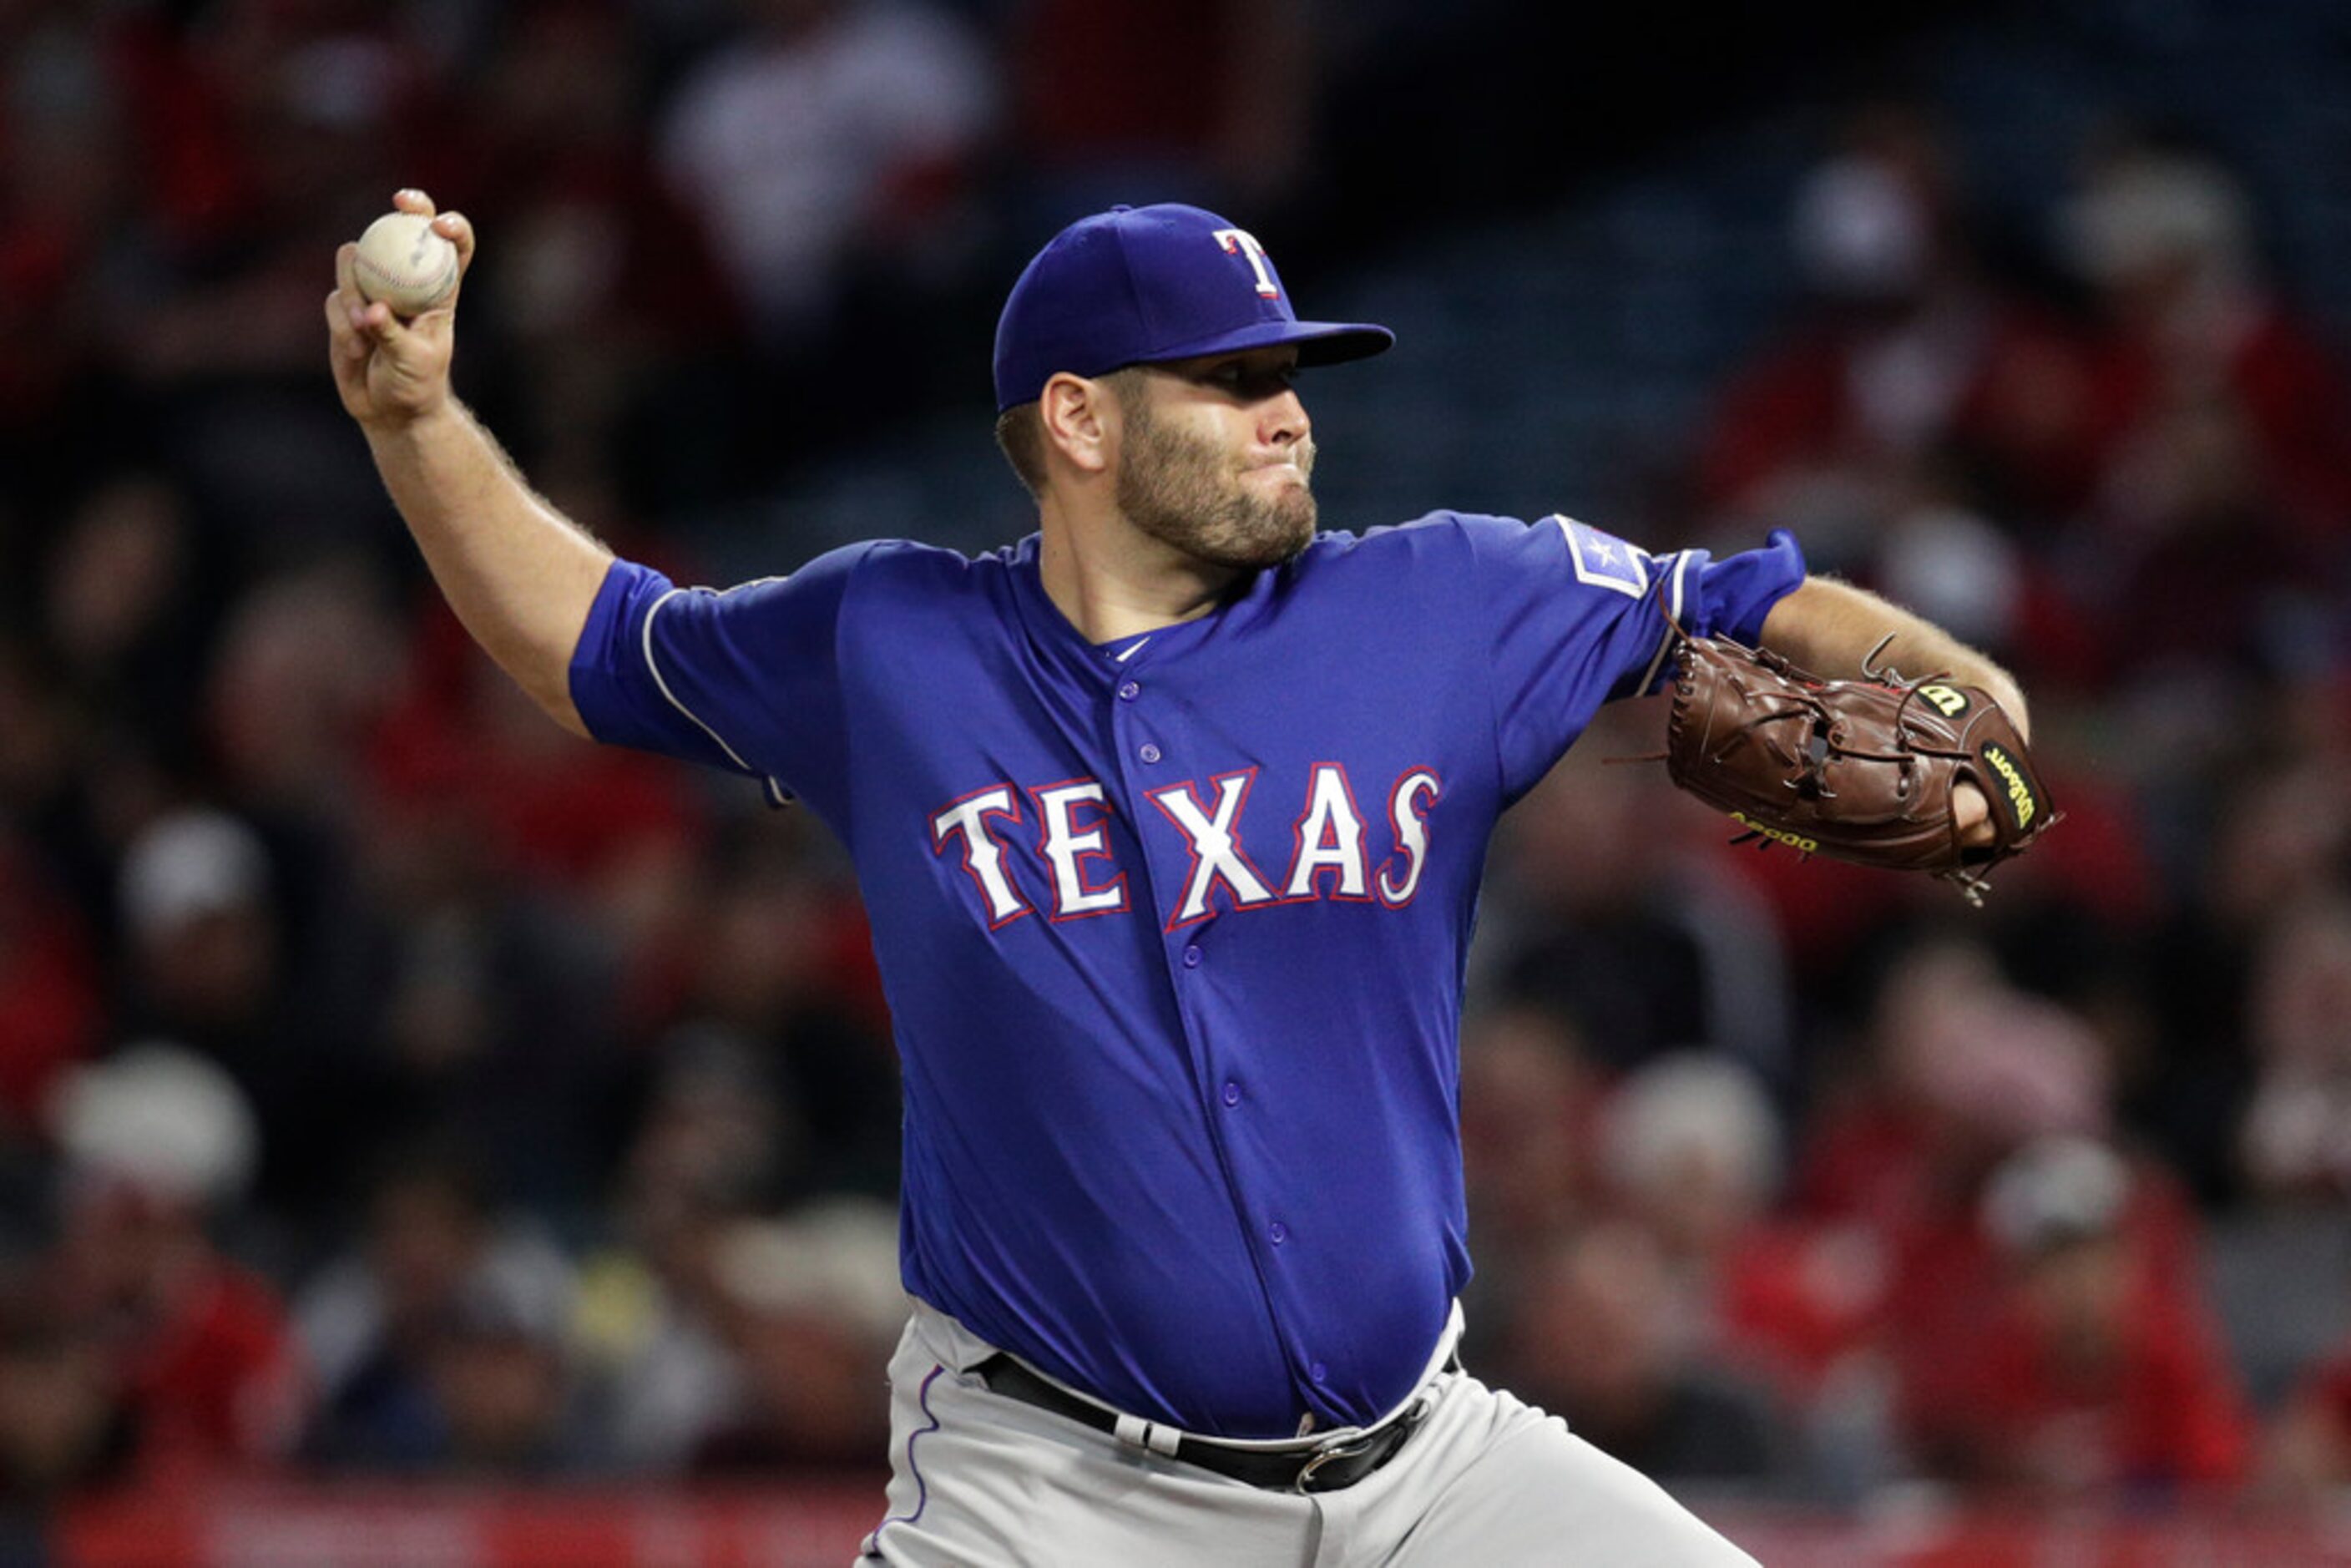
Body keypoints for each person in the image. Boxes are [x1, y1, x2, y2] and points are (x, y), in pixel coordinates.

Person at [326, 190, 2027, 1565]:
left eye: (1288, 373)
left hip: (1428, 1472)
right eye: (1228, 379)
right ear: (1076, 419)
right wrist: (414, 423)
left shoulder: (1435, 603)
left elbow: (1755, 601)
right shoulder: (893, 642)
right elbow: (589, 642)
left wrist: (1971, 709)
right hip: (1054, 1494)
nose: (1286, 415)